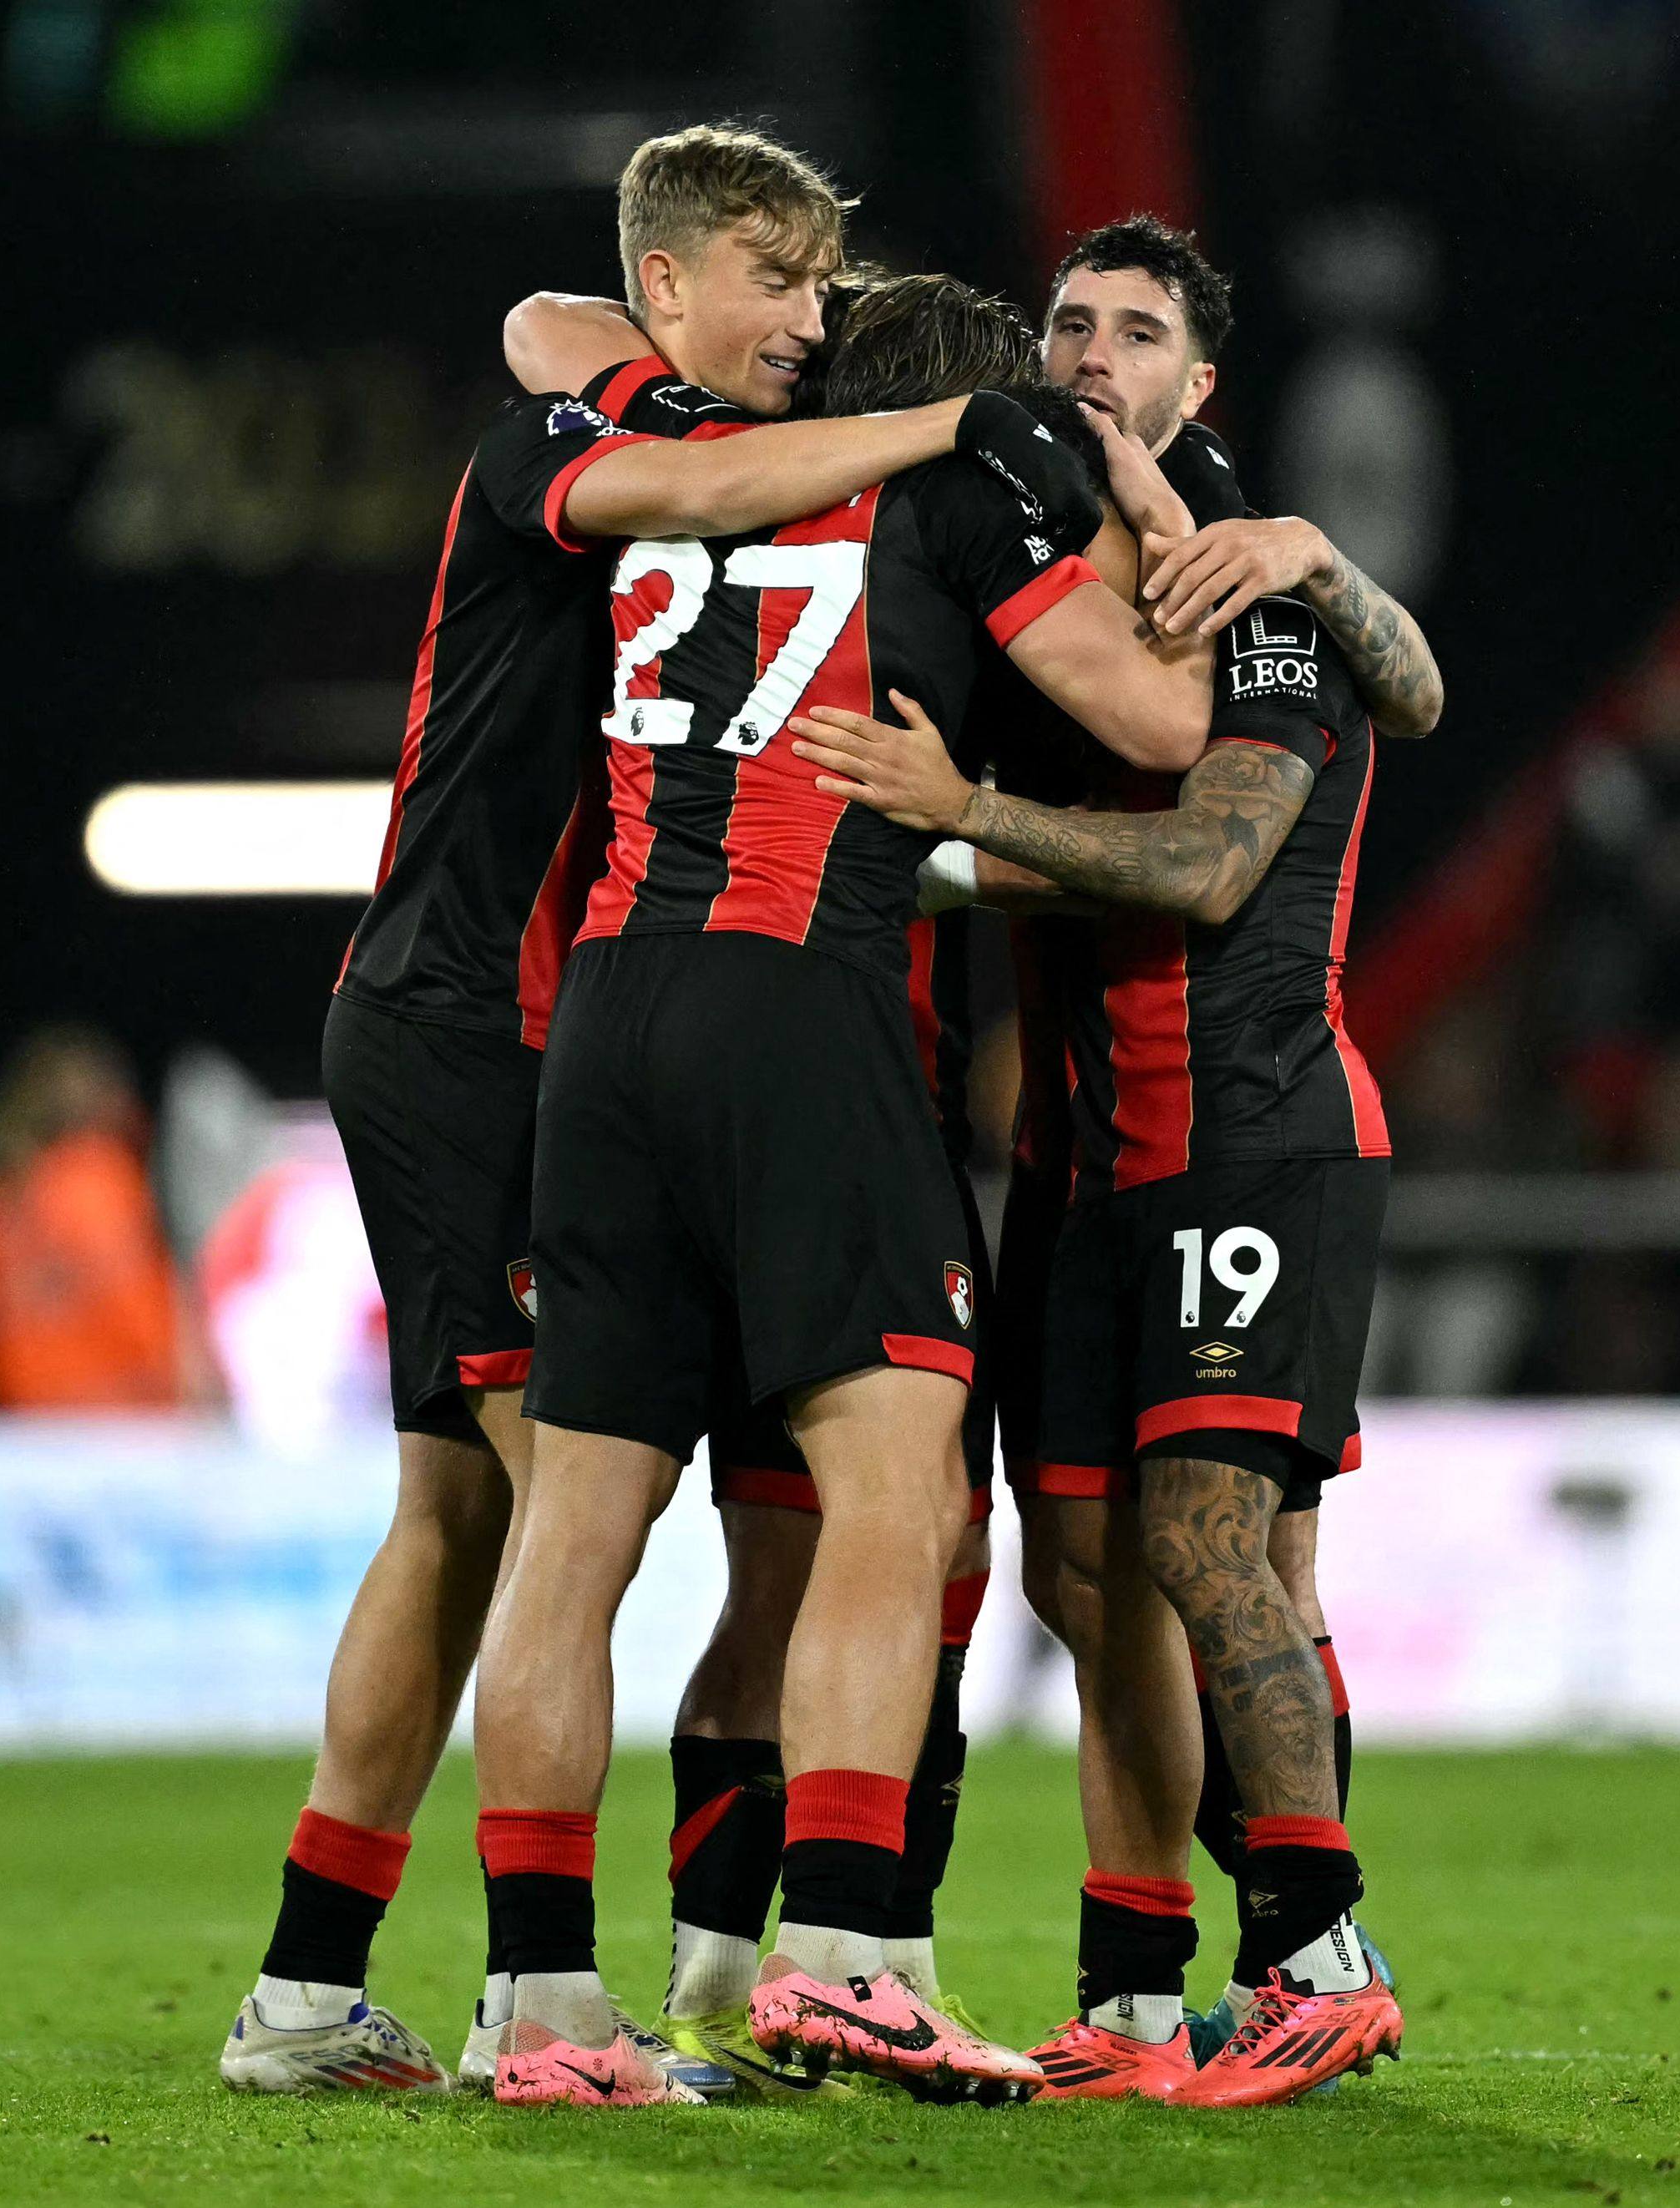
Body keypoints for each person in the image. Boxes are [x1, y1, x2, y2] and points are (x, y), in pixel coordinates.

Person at [217, 126, 1034, 2103]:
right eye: (776, 280)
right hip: (479, 1017)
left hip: (546, 1023)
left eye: (827, 292)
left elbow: (568, 322)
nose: (808, 321)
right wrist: (953, 425)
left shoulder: (670, 421)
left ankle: (370, 1980)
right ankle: (536, 1987)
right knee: (540, 1499)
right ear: (675, 289)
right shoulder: (596, 460)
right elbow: (580, 353)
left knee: (506, 1506)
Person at [476, 273, 1218, 2109]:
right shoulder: (955, 491)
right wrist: (1183, 537)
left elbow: (549, 323)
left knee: (577, 1524)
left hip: (611, 1012)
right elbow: (1158, 728)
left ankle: (537, 1997)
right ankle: (841, 1953)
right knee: (901, 1487)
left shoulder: (674, 457)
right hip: (801, 1003)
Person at [793, 381, 1410, 2105]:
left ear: (1199, 393)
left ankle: (1315, 1946)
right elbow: (1101, 851)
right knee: (1089, 1576)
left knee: (1224, 1549)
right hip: (1086, 1173)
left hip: (1254, 1138)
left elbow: (1212, 867)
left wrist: (958, 818)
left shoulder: (1273, 623)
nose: (1093, 355)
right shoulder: (1068, 650)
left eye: (1137, 331)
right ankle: (1136, 1989)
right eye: (1069, 322)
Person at [0, 1026, 190, 1410]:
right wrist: (183, 1390)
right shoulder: (94, 1177)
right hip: (116, 1413)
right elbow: (138, 1310)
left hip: (20, 1412)